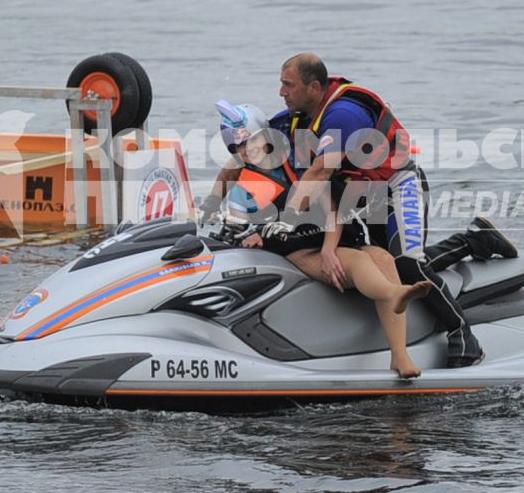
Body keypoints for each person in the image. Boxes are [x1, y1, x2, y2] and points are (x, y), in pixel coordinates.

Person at [274, 53, 500, 368]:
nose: (281, 92)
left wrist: (283, 225)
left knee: (408, 263)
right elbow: (260, 148)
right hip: (363, 194)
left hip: (398, 184)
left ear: (313, 87)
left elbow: (320, 173)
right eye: (281, 85)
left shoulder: (343, 114)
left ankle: (462, 334)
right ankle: (472, 241)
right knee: (388, 267)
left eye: (288, 85)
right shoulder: (300, 117)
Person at [211, 101, 431, 379]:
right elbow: (234, 218)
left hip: (328, 233)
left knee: (384, 258)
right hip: (295, 250)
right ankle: (392, 293)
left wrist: (329, 248)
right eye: (236, 148)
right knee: (356, 261)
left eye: (249, 142)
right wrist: (245, 233)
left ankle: (400, 355)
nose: (245, 151)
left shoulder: (296, 159)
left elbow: (332, 207)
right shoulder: (245, 186)